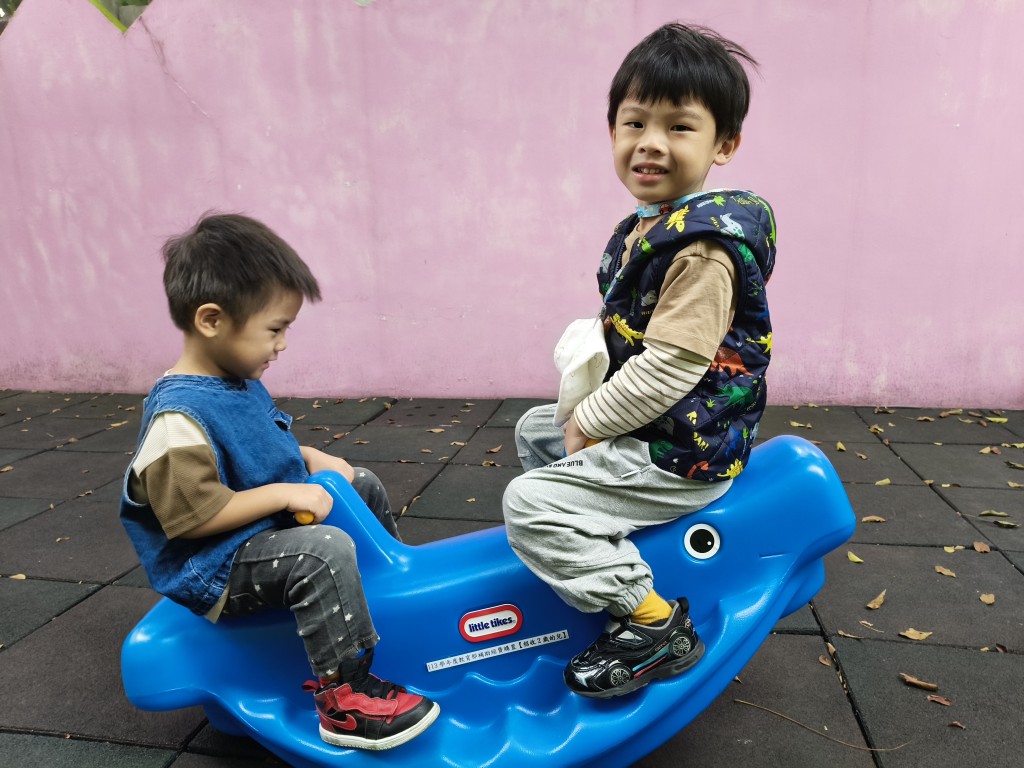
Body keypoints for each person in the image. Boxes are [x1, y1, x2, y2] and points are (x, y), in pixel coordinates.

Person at [503, 23, 776, 699]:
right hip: (668, 429)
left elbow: (669, 370)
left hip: (683, 450)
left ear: (724, 145)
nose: (650, 142)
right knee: (535, 430)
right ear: (613, 131)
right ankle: (589, 545)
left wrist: (590, 420)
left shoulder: (702, 250)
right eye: (635, 123)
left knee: (527, 503)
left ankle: (652, 622)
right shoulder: (653, 224)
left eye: (679, 127)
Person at [119, 213, 439, 749]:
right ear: (212, 320)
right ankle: (345, 698)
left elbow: (266, 450)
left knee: (360, 485)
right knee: (321, 552)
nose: (283, 344)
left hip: (256, 533)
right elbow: (193, 519)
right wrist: (285, 493)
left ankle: (390, 604)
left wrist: (310, 457)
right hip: (215, 563)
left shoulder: (236, 381)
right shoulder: (178, 420)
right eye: (274, 329)